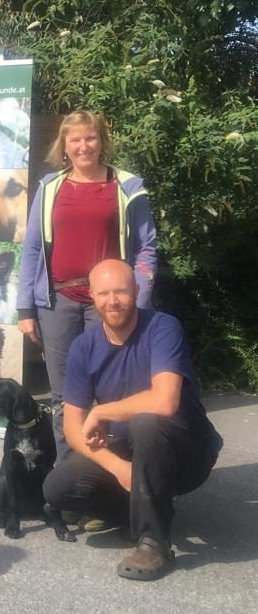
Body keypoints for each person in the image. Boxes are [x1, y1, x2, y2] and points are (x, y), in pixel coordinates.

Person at [43, 260, 222, 581]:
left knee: (146, 421)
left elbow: (164, 402)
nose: (113, 301)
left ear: (136, 292)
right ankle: (142, 503)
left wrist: (100, 411)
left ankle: (154, 541)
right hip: (133, 449)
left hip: (187, 450)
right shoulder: (84, 347)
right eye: (104, 293)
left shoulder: (163, 328)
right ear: (92, 296)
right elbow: (72, 428)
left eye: (121, 292)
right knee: (58, 488)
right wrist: (119, 467)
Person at [16, 111, 157, 460]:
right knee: (65, 397)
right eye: (75, 139)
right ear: (64, 145)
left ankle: (114, 479)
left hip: (110, 305)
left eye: (90, 138)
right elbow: (32, 248)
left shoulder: (125, 187)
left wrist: (137, 302)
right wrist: (25, 308)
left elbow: (145, 248)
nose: (83, 146)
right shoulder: (50, 188)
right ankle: (71, 481)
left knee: (115, 394)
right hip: (57, 303)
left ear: (101, 142)